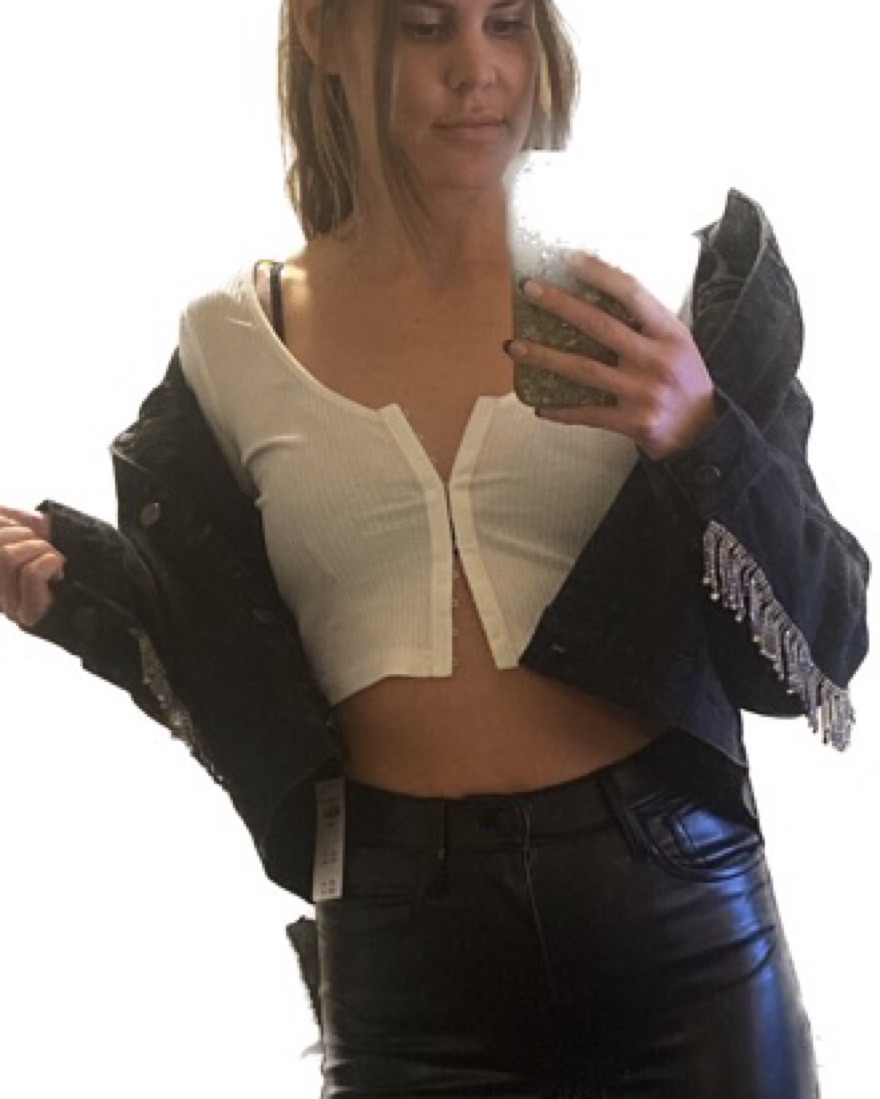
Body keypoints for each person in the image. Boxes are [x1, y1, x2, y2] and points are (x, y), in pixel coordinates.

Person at [0, 0, 869, 1095]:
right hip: (402, 959)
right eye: (424, 27)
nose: (477, 68)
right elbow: (237, 679)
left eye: (506, 21)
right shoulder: (234, 341)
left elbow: (825, 642)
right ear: (322, 31)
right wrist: (78, 594)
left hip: (679, 925)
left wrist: (704, 435)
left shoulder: (660, 280)